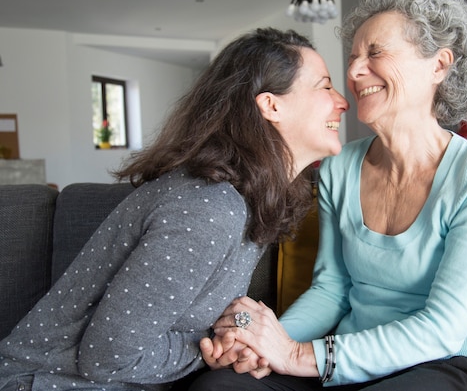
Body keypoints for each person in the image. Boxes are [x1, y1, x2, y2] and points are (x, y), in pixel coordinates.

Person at [191, 0, 467, 391]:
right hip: (350, 356)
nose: (353, 71)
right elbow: (332, 289)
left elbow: (443, 328)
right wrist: (264, 344)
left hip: (454, 364)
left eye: (375, 52)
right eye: (352, 57)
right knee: (218, 387)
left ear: (438, 65)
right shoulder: (339, 167)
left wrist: (296, 355)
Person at [0, 27, 348, 391]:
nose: (342, 102)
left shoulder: (249, 199)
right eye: (324, 86)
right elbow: (105, 359)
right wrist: (207, 349)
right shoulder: (207, 208)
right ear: (271, 105)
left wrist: (234, 336)